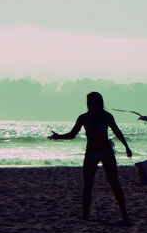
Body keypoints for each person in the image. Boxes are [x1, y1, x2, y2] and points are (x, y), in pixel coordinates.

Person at [48, 91, 132, 223]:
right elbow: (72, 135)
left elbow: (117, 131)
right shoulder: (83, 117)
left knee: (114, 183)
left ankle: (124, 215)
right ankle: (85, 216)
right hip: (91, 153)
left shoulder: (106, 116)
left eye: (91, 101)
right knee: (88, 185)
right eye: (87, 101)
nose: (88, 104)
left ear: (98, 102)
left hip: (107, 152)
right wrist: (58, 136)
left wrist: (127, 147)